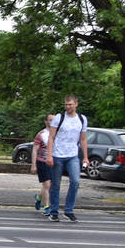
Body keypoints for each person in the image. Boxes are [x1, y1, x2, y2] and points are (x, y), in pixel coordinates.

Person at [46, 94, 89, 222]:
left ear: (76, 104)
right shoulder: (59, 118)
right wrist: (49, 155)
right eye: (66, 104)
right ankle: (54, 211)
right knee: (56, 184)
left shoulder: (82, 119)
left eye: (70, 104)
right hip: (58, 154)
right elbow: (51, 137)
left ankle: (69, 210)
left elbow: (83, 139)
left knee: (75, 181)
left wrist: (85, 157)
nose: (68, 107)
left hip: (73, 155)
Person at [30, 113, 53, 215]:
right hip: (42, 162)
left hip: (54, 162)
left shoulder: (57, 133)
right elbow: (35, 150)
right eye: (50, 120)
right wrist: (33, 165)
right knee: (47, 184)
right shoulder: (41, 134)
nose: (52, 122)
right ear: (46, 121)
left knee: (49, 186)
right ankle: (47, 206)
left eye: (54, 120)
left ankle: (39, 197)